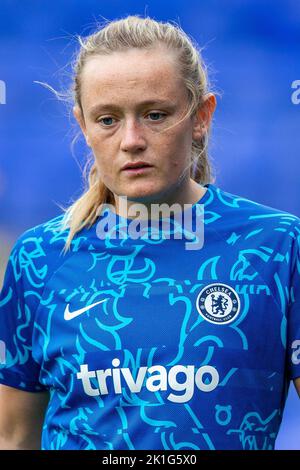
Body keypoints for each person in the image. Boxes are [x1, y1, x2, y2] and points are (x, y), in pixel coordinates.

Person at [0, 15, 299, 451]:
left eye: (155, 114)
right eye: (107, 120)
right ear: (83, 126)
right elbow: (13, 437)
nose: (132, 140)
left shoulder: (276, 248)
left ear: (201, 116)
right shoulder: (39, 260)